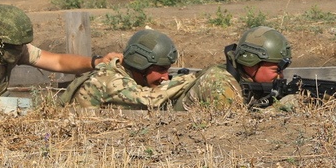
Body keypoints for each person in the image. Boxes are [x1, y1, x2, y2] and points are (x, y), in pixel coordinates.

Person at [63, 29, 242, 111]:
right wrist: (193, 78)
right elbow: (151, 99)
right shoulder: (110, 80)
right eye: (161, 70)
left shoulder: (123, 73)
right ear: (140, 66)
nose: (165, 77)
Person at [223, 26, 295, 108]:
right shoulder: (220, 83)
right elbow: (235, 116)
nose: (281, 76)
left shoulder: (251, 81)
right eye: (277, 70)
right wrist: (281, 107)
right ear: (251, 64)